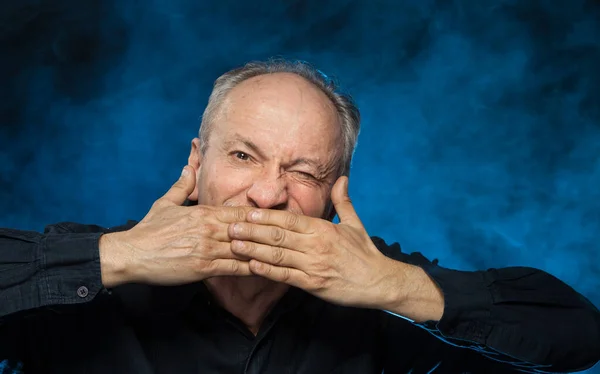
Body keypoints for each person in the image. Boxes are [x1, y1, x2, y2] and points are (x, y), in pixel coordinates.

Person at [0, 59, 599, 374]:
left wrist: (395, 285)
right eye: (242, 156)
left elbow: (578, 335)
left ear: (336, 195)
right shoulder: (103, 272)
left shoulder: (373, 287)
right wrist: (119, 256)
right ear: (197, 162)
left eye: (304, 172)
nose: (267, 195)